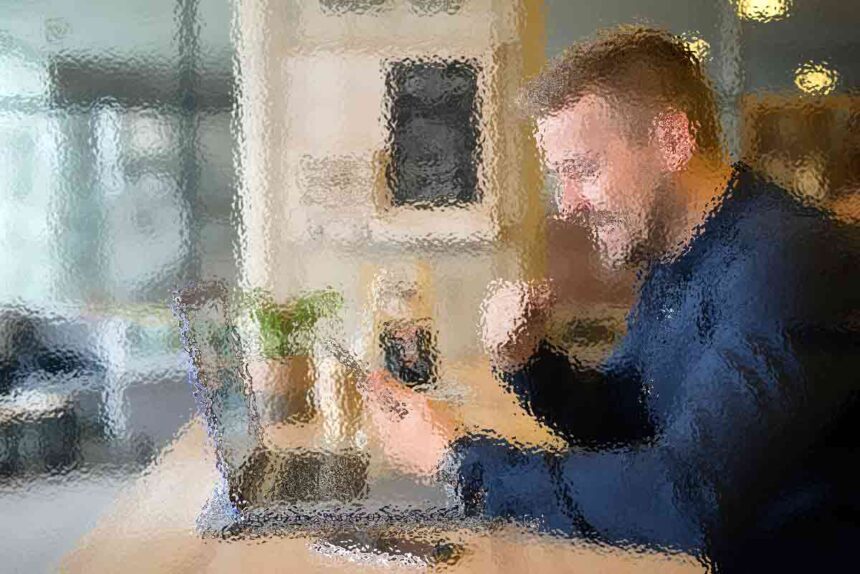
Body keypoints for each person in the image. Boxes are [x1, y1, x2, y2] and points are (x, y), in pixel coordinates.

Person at [360, 26, 860, 571]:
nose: (567, 205)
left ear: (672, 141)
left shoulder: (790, 262)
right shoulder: (677, 252)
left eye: (582, 170)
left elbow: (686, 497)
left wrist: (461, 463)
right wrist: (529, 362)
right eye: (560, 178)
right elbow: (626, 420)